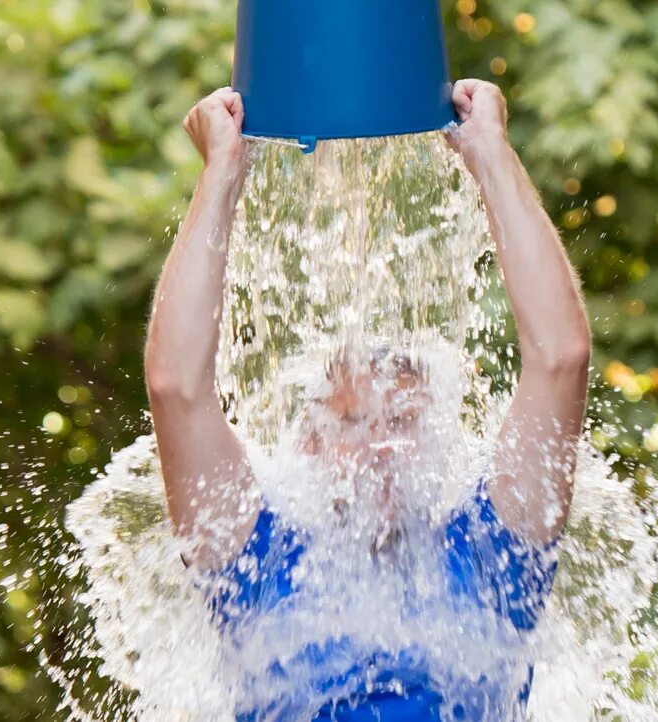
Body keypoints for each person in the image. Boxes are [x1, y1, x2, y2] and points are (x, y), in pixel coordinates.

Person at [144, 79, 592, 722]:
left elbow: (560, 359)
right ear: (308, 445)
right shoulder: (254, 562)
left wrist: (490, 152)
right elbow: (176, 389)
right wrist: (222, 174)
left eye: (404, 420)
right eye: (351, 423)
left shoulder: (494, 559)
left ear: (441, 434)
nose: (379, 442)